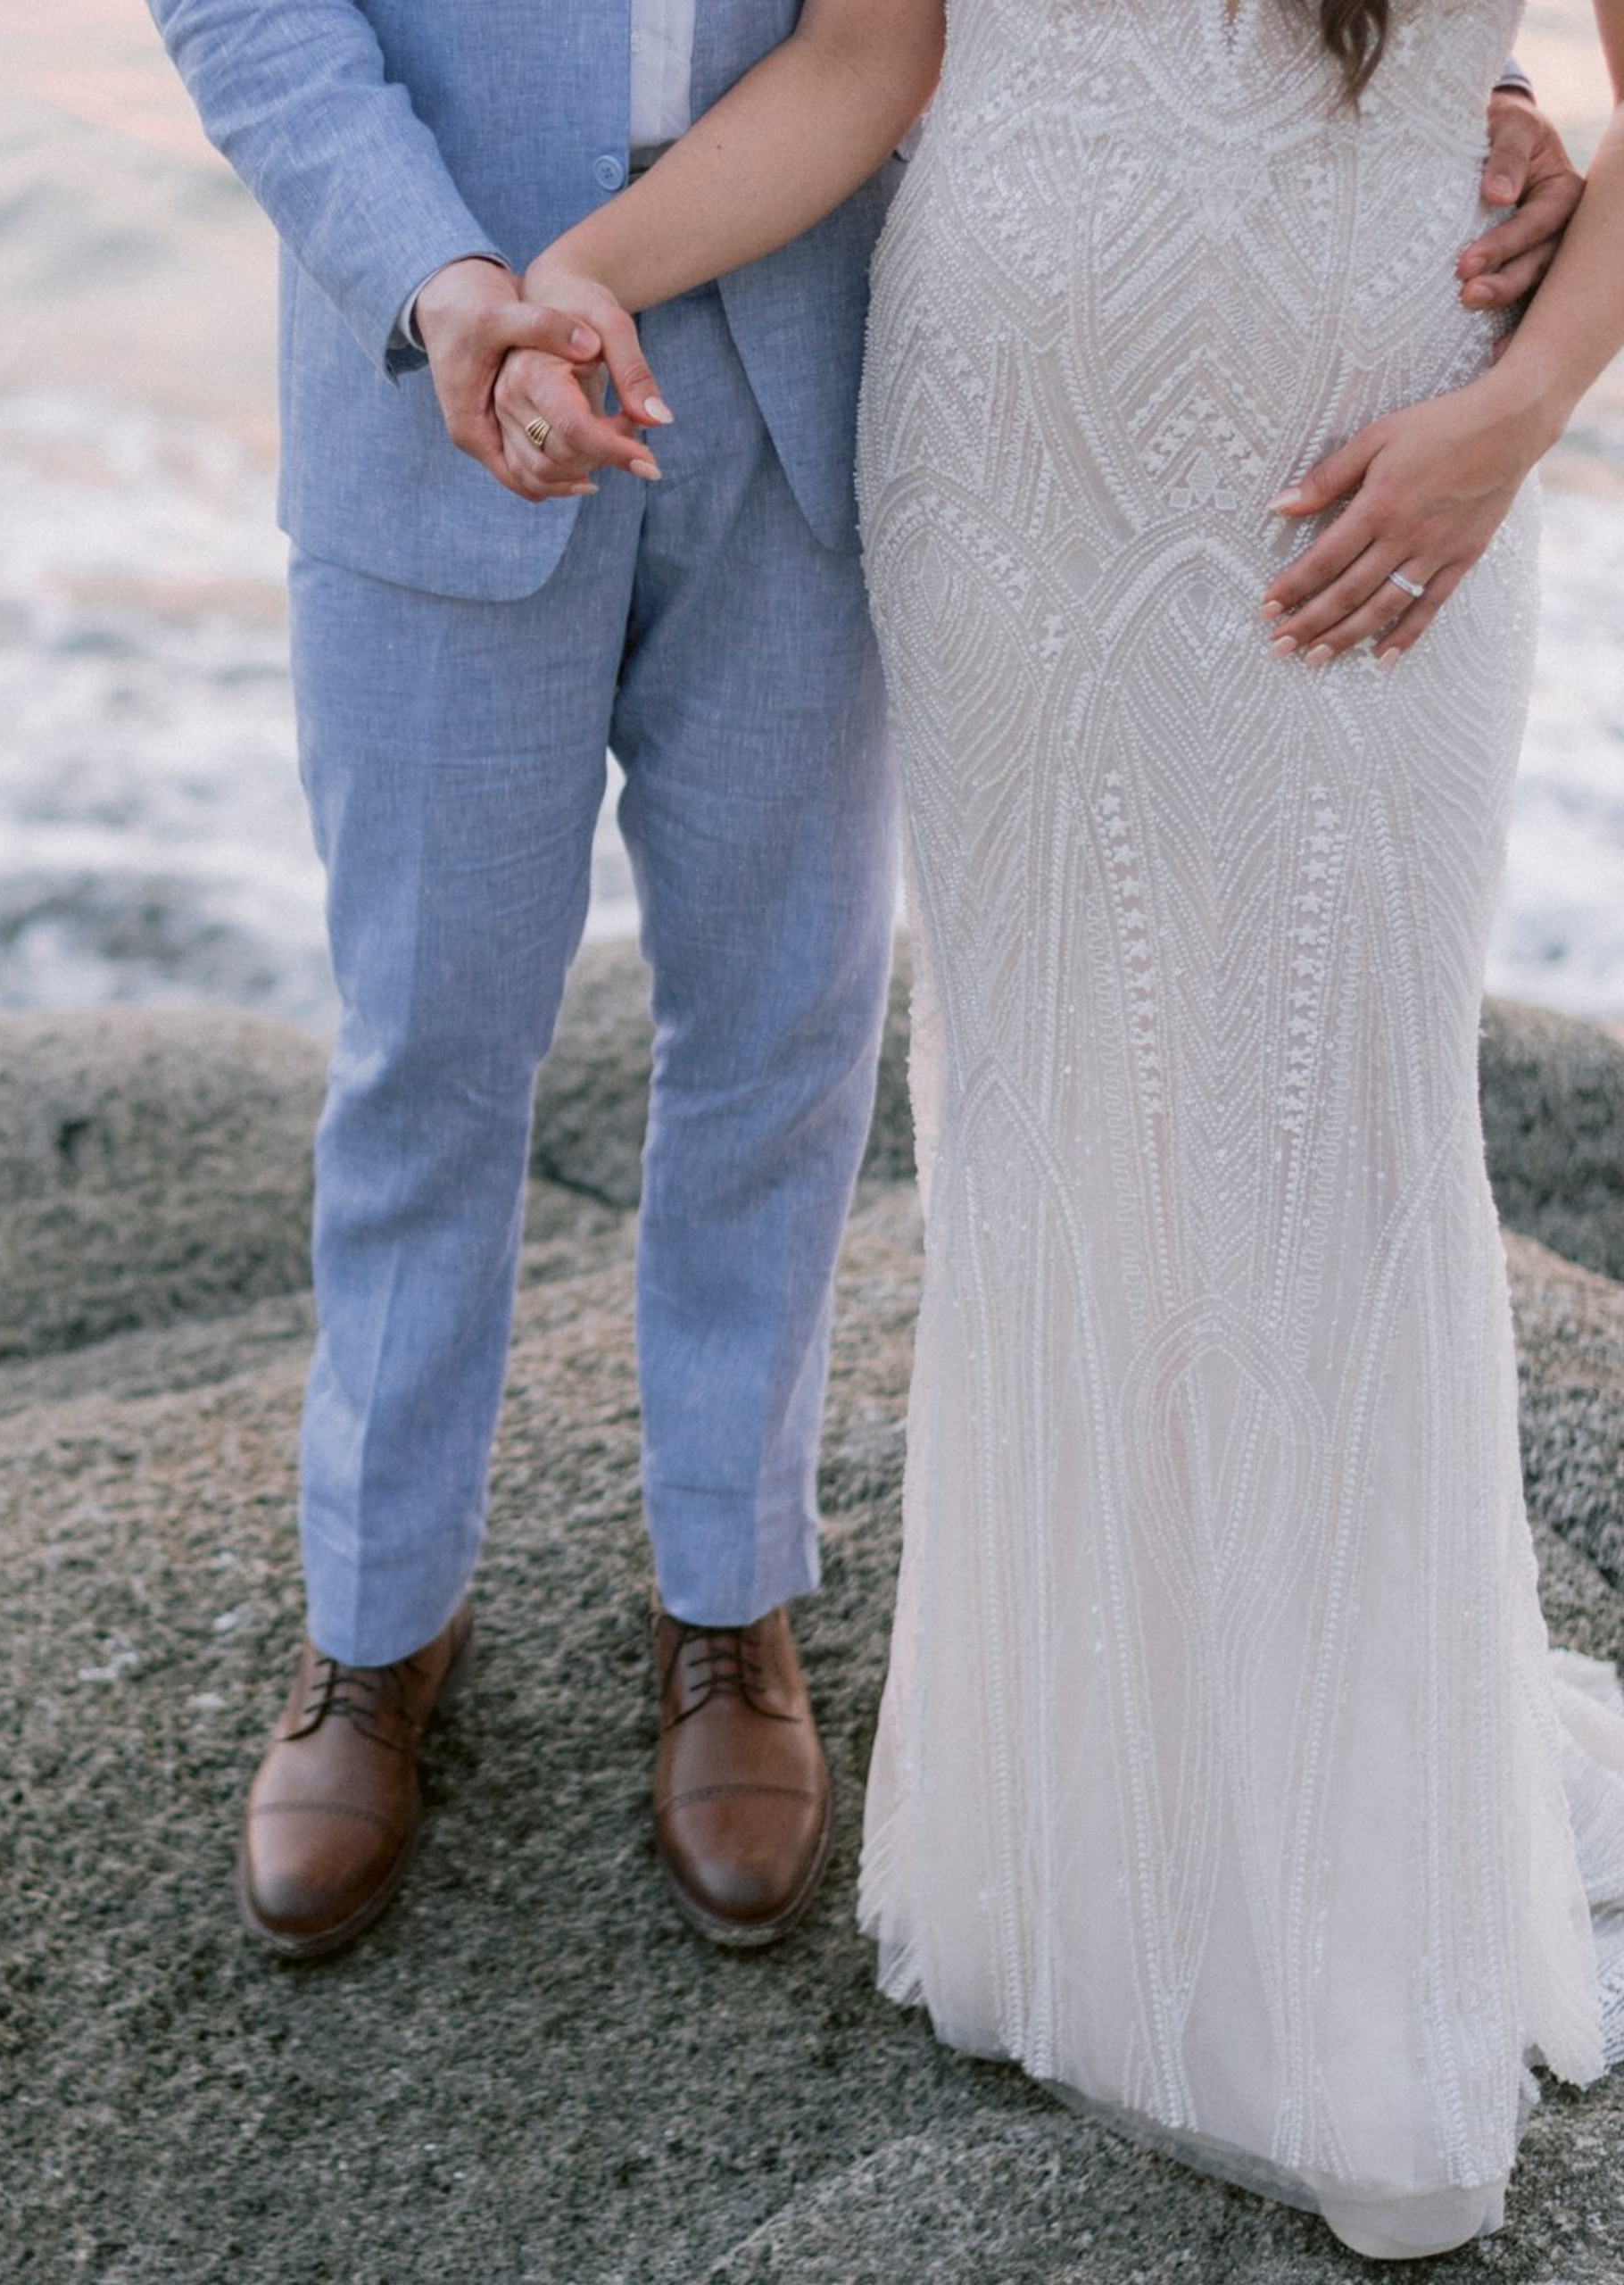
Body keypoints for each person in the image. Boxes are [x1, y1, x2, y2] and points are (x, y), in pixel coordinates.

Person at [143, 0, 1582, 1970]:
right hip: (444, 367)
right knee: (428, 1045)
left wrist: (1455, 88)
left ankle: (726, 1602)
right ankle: (373, 1625)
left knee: (785, 1029)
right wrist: (446, 276)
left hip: (827, 367)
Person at [503, 0, 1624, 2257]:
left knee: (1335, 1142)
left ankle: (1339, 1936)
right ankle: (1092, 1875)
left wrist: (1510, 422)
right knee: (1059, 1124)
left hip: (1382, 457)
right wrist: (582, 272)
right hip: (1001, 454)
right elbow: (865, 57)